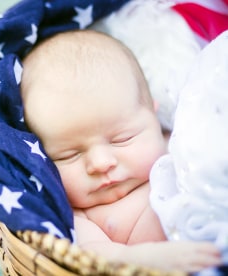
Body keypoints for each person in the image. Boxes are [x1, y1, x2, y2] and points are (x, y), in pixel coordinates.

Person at [20, 29, 222, 272]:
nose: (101, 163)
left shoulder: (179, 142)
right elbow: (93, 254)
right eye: (69, 155)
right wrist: (143, 258)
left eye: (122, 139)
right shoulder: (81, 216)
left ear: (155, 117)